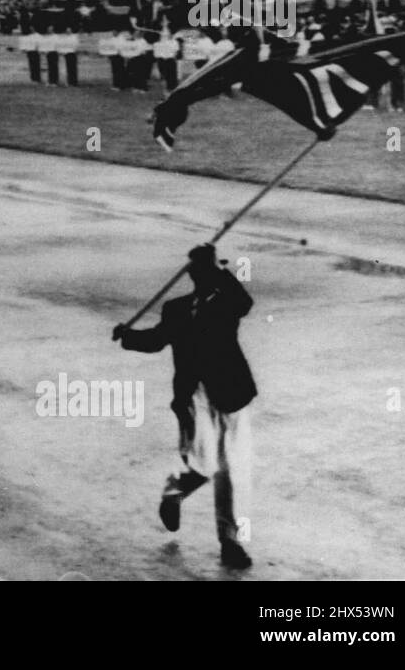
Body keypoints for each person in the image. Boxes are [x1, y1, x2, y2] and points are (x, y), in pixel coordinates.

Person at [112, 244, 256, 570]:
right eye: (199, 272)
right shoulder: (176, 308)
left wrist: (219, 270)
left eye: (209, 272)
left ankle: (230, 543)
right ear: (192, 276)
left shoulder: (226, 303)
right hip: (194, 395)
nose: (204, 277)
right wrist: (128, 335)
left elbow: (245, 302)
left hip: (232, 391)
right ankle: (174, 492)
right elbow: (156, 340)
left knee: (230, 467)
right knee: (204, 463)